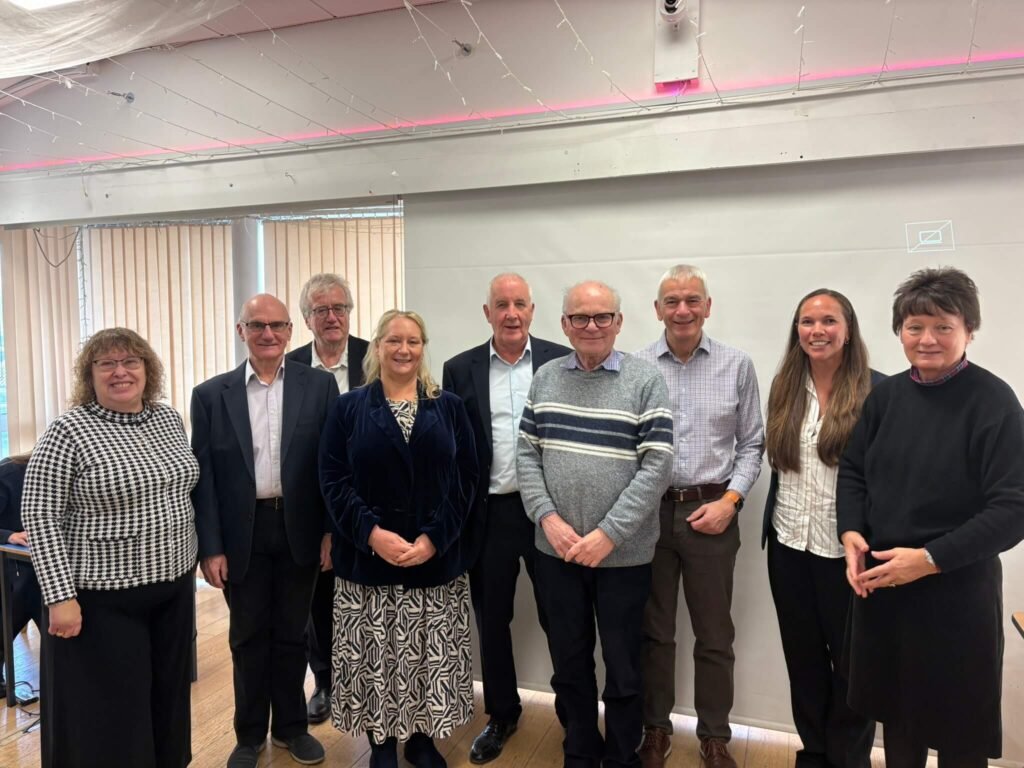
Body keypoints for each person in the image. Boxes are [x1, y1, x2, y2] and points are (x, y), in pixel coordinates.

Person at [838, 267, 1024, 767]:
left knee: (960, 736)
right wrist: (851, 532)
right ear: (899, 331)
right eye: (915, 326)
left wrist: (928, 559)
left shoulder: (995, 402)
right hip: (887, 593)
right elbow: (854, 470)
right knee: (899, 728)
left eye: (944, 326)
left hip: (956, 596)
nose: (927, 339)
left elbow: (1013, 509)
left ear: (969, 331)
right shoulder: (886, 396)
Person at [22, 328, 198, 768]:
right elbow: (40, 515)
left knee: (167, 700)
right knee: (111, 716)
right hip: (102, 601)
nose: (121, 372)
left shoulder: (168, 419)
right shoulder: (69, 430)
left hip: (173, 589)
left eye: (131, 362)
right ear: (91, 374)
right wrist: (60, 597)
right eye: (107, 364)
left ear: (147, 369)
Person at [517, 280, 674, 768]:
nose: (591, 326)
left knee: (625, 666)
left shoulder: (645, 379)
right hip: (556, 551)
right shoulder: (545, 378)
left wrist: (608, 534)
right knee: (569, 661)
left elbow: (658, 466)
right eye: (579, 317)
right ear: (563, 324)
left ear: (619, 322)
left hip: (623, 555)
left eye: (602, 316)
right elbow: (527, 454)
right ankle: (580, 750)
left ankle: (621, 755)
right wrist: (549, 519)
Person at [319, 309, 478, 768]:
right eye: (393, 341)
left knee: (428, 656)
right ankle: (383, 742)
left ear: (423, 347)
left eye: (412, 341)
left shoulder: (448, 406)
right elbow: (332, 479)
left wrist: (434, 538)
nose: (403, 349)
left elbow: (466, 479)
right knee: (377, 657)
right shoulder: (349, 407)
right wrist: (371, 534)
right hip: (369, 559)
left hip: (434, 560)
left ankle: (423, 741)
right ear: (377, 347)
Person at [191, 294, 339, 768]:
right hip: (242, 535)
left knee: (293, 635)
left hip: (300, 529)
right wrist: (210, 547)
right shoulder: (212, 395)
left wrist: (331, 532)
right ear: (242, 331)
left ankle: (292, 729)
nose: (268, 334)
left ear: (291, 331)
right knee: (247, 637)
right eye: (257, 325)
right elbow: (204, 478)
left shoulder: (319, 387)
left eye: (277, 325)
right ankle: (249, 735)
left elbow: (331, 466)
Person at [634, 265, 764, 768]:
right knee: (654, 632)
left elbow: (752, 443)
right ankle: (655, 731)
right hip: (649, 517)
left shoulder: (736, 364)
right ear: (657, 310)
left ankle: (714, 736)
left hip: (713, 515)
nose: (682, 309)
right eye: (672, 300)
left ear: (707, 307)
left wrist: (730, 502)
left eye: (692, 300)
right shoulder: (637, 365)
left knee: (715, 634)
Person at [441, 273, 571, 764]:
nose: (511, 313)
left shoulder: (562, 359)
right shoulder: (459, 369)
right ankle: (502, 714)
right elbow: (453, 448)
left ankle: (573, 712)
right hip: (489, 514)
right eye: (502, 304)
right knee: (492, 618)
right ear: (487, 312)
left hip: (552, 515)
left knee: (561, 615)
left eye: (519, 304)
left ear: (532, 311)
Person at [761, 289, 879, 768]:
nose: (817, 331)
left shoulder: (878, 391)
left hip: (848, 556)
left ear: (848, 330)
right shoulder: (784, 387)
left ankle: (848, 759)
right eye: (807, 322)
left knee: (853, 669)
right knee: (804, 662)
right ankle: (813, 752)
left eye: (828, 321)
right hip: (788, 546)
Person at [287, 273, 369, 725]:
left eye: (339, 308)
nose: (332, 317)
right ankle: (326, 682)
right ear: (307, 319)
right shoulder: (291, 366)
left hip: (372, 501)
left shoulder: (377, 356)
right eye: (322, 310)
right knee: (320, 600)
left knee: (369, 594)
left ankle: (369, 681)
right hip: (314, 500)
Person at [0, 452, 43, 695]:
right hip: (9, 558)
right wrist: (8, 535)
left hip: (31, 560)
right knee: (26, 594)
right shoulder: (8, 474)